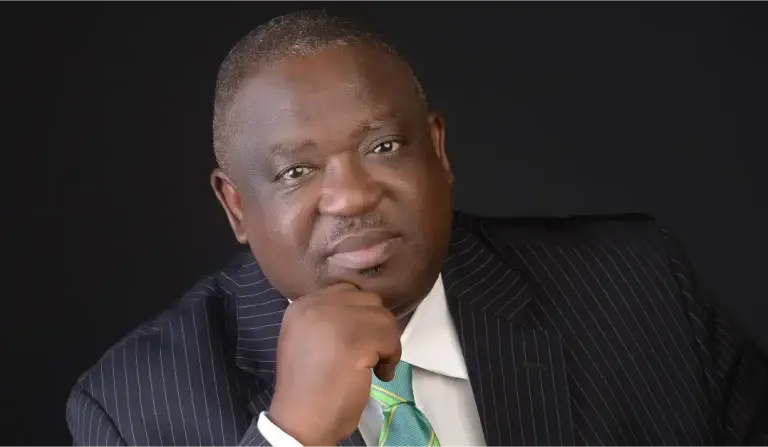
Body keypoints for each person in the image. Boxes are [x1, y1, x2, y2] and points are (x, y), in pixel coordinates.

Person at [66, 10, 768, 447]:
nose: (352, 195)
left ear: (437, 150)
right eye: (296, 172)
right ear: (236, 208)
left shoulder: (636, 288)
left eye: (382, 146)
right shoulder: (133, 404)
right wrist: (291, 436)